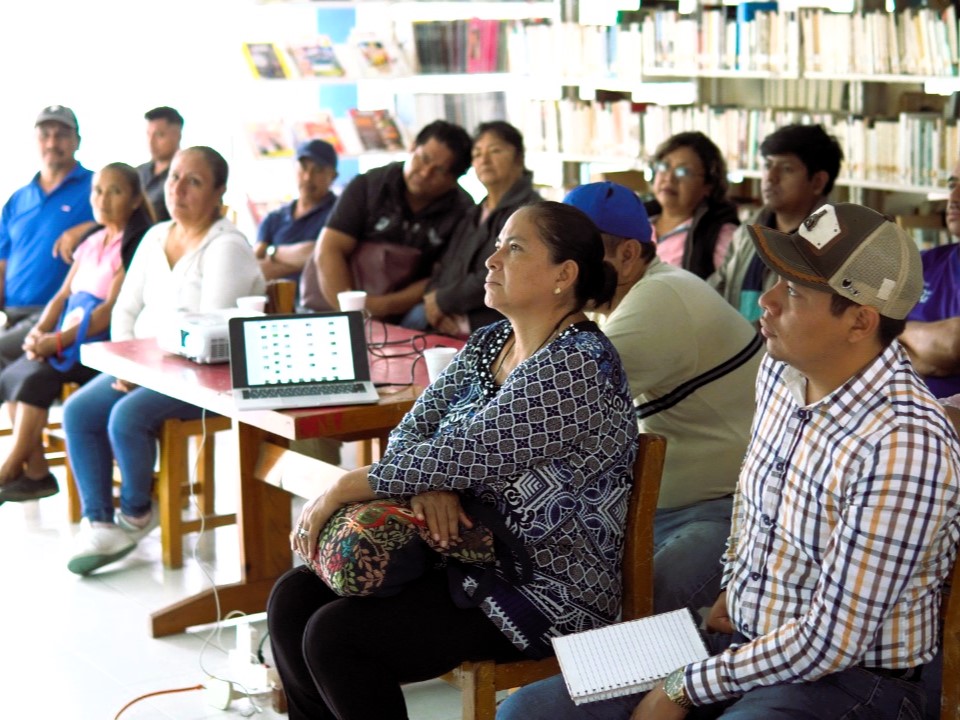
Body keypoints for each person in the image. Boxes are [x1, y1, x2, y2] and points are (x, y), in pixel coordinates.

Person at [499, 202, 960, 720]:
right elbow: (754, 496)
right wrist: (736, 583)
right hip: (744, 641)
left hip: (850, 680)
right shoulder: (782, 373)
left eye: (794, 292)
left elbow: (833, 641)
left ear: (859, 321)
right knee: (529, 710)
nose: (767, 300)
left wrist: (682, 687)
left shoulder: (904, 443)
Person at [267, 201, 639, 719]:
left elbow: (469, 451)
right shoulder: (490, 342)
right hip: (460, 558)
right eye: (497, 245)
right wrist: (431, 485)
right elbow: (413, 431)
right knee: (292, 599)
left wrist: (344, 487)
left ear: (564, 275)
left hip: (542, 588)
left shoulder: (577, 364)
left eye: (514, 248)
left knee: (338, 636)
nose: (491, 260)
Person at [64, 146, 265, 576]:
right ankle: (99, 522)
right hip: (142, 367)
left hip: (205, 378)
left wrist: (142, 371)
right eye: (174, 177)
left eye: (194, 181)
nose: (177, 188)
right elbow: (124, 309)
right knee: (78, 411)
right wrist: (125, 365)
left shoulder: (226, 246)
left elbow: (208, 337)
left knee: (125, 418)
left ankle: (137, 512)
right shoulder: (156, 236)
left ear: (219, 192)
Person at [563, 181, 762, 616]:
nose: (565, 270)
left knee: (638, 612)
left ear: (628, 255)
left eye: (578, 256)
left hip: (723, 515)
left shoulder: (660, 298)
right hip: (665, 511)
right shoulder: (632, 297)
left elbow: (552, 406)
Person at [0, 163, 154, 503]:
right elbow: (61, 297)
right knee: (15, 372)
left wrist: (54, 341)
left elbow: (106, 314)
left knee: (35, 377)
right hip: (66, 340)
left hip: (97, 347)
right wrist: (38, 333)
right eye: (98, 190)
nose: (103, 199)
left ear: (134, 200)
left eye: (115, 191)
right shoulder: (93, 240)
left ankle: (10, 468)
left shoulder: (134, 245)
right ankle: (35, 471)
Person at [307, 120, 474, 319]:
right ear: (412, 147)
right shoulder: (368, 186)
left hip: (410, 309)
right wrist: (350, 310)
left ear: (454, 180)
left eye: (439, 170)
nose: (424, 173)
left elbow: (444, 277)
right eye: (423, 158)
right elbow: (330, 249)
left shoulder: (463, 210)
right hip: (344, 299)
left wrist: (381, 306)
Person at [404, 120, 542, 335]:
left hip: (495, 324)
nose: (484, 160)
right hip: (449, 315)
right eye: (477, 154)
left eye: (495, 151)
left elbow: (503, 270)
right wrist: (433, 301)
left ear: (519, 158)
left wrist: (442, 301)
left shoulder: (531, 213)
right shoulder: (473, 211)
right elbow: (444, 265)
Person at [710, 123, 844, 324]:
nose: (770, 178)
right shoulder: (746, 232)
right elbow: (716, 290)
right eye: (767, 165)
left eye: (786, 169)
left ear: (817, 182)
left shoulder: (836, 244)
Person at [0, 105, 96, 370]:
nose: (52, 143)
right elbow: (2, 263)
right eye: (45, 134)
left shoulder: (97, 188)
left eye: (62, 135)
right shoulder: (18, 199)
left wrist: (88, 228)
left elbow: (127, 229)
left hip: (59, 315)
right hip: (12, 315)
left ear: (77, 141)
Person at [899, 156, 960, 399]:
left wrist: (896, 332)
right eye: (952, 185)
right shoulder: (922, 263)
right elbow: (868, 343)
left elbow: (954, 344)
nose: (954, 197)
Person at [644, 131, 739, 279]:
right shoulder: (636, 221)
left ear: (708, 185)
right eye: (664, 166)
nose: (669, 178)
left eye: (683, 171)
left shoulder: (722, 236)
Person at [254, 139, 338, 287]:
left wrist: (273, 253)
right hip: (275, 300)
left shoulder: (340, 213)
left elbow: (321, 253)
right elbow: (254, 266)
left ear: (333, 176)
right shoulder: (274, 218)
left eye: (318, 170)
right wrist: (301, 263)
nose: (307, 177)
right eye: (303, 168)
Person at [136, 106, 183, 222]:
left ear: (177, 135)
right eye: (148, 134)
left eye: (159, 135)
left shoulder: (185, 177)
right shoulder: (138, 172)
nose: (151, 142)